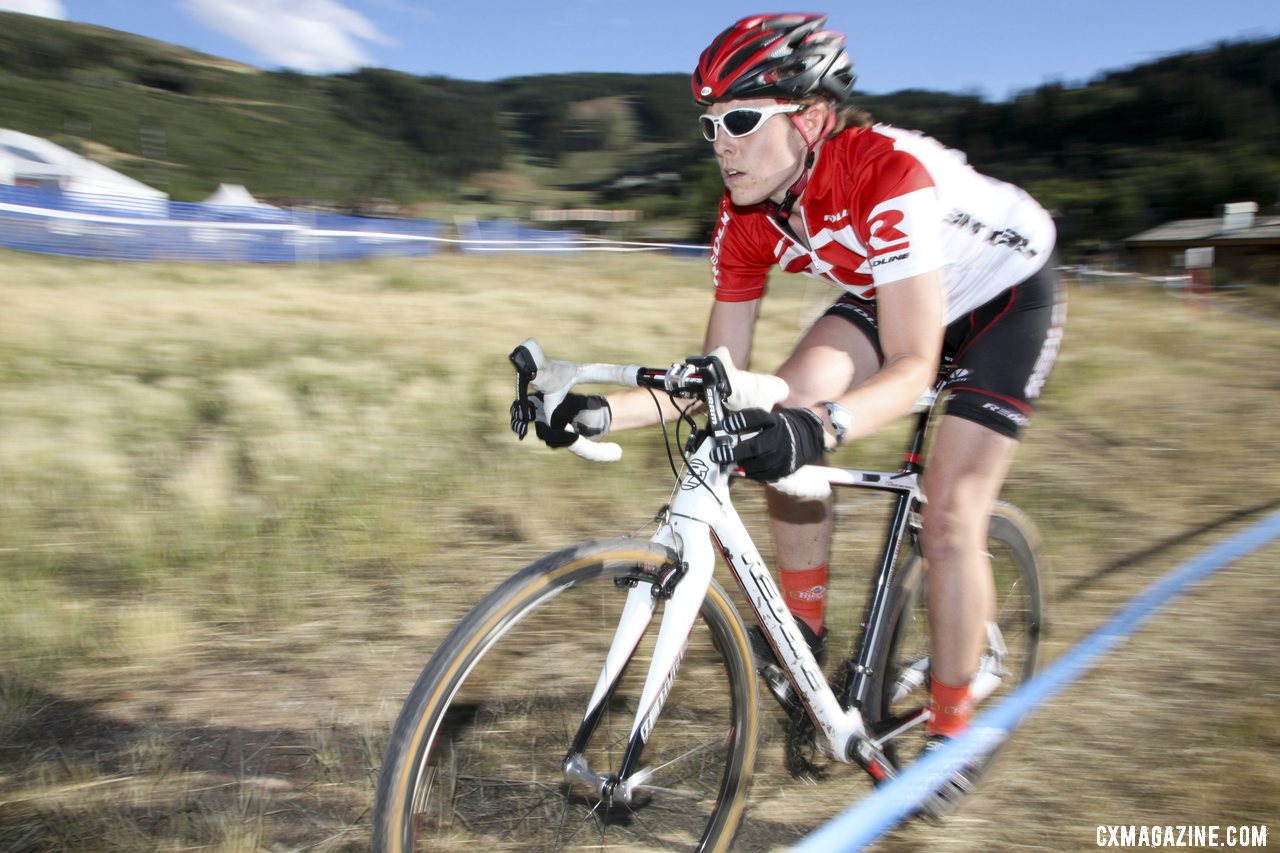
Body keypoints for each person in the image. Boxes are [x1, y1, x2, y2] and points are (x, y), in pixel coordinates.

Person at [515, 12, 1064, 809]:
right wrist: (597, 414)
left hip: (1007, 301)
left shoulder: (886, 178)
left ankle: (953, 728)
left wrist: (824, 427)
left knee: (948, 516)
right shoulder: (743, 215)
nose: (721, 144)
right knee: (767, 414)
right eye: (710, 125)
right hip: (895, 288)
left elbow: (914, 363)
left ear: (808, 119)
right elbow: (719, 379)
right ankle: (799, 633)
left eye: (740, 120)